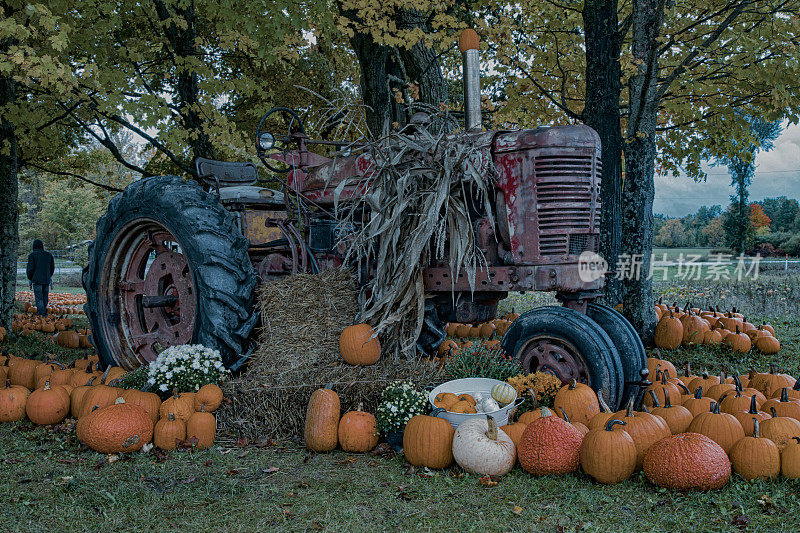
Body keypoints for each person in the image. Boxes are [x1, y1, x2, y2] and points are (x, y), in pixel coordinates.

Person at [26, 239, 55, 316]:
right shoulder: (49, 255)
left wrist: (30, 278)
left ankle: (41, 314)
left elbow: (30, 269)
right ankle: (44, 312)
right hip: (46, 279)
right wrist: (49, 276)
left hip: (36, 280)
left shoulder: (32, 255)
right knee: (45, 297)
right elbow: (52, 268)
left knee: (39, 298)